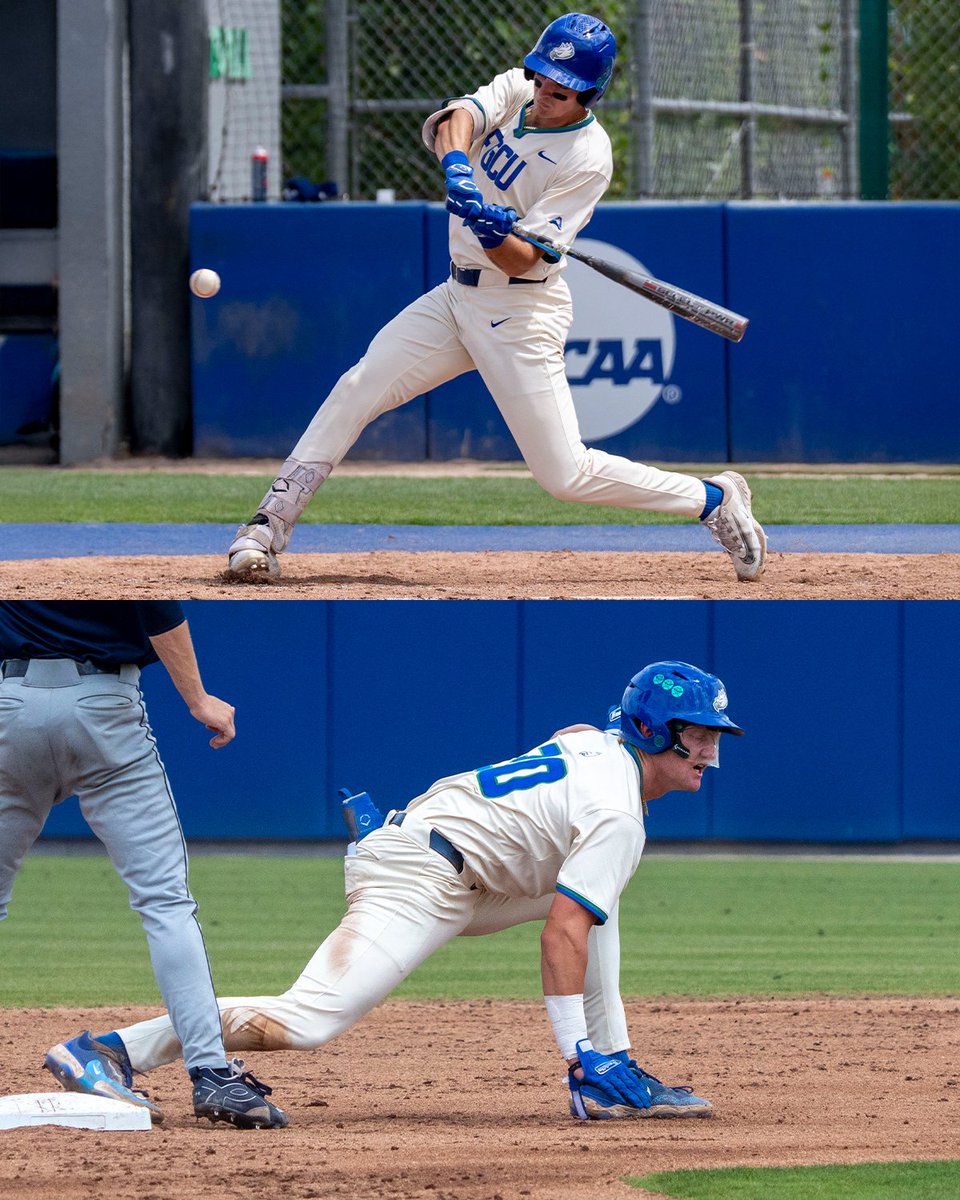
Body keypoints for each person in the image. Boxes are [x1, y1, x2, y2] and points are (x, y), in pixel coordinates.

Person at [46, 660, 743, 1123]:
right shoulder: (619, 812)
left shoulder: (602, 747)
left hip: (466, 869)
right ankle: (109, 1049)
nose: (712, 751)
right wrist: (572, 1052)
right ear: (654, 731)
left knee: (597, 901)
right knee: (308, 1020)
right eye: (699, 735)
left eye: (715, 735)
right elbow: (559, 932)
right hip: (418, 874)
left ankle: (614, 1069)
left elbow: (574, 736)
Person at [224, 12, 766, 586]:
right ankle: (265, 528)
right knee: (357, 387)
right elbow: (455, 121)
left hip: (520, 311)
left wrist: (490, 229)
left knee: (564, 475)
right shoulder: (517, 89)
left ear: (589, 94)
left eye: (561, 91)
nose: (544, 94)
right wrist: (459, 170)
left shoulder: (588, 156)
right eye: (542, 79)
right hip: (455, 297)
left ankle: (713, 499)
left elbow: (522, 259)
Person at [0, 601, 287, 1130]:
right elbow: (158, 608)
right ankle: (212, 1075)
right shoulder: (114, 558)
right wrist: (198, 699)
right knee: (165, 903)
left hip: (10, 702)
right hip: (103, 706)